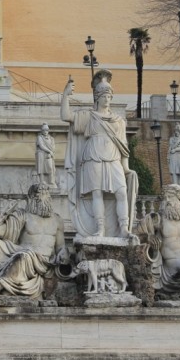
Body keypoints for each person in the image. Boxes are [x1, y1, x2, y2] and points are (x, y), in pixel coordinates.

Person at [61, 69, 138, 239]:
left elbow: (123, 146)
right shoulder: (89, 116)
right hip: (93, 156)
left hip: (113, 156)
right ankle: (100, 228)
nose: (107, 100)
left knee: (121, 192)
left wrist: (126, 168)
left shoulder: (119, 121)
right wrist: (65, 95)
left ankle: (124, 228)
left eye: (110, 96)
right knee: (97, 193)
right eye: (104, 96)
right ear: (97, 97)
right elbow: (66, 116)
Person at [0, 184, 69, 298]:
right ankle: (3, 283)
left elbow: (60, 247)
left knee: (23, 256)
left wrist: (63, 253)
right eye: (39, 196)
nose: (44, 198)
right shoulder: (24, 216)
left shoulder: (57, 220)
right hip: (24, 254)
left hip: (46, 263)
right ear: (31, 199)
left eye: (46, 195)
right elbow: (2, 231)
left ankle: (0, 284)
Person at [35, 123, 57, 188]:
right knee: (41, 168)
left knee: (50, 167)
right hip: (41, 154)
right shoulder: (39, 137)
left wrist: (51, 152)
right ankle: (42, 182)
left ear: (48, 130)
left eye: (46, 130)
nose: (45, 131)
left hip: (49, 155)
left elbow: (53, 147)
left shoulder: (52, 138)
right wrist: (49, 151)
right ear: (42, 130)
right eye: (44, 130)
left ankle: (51, 182)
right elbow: (41, 146)